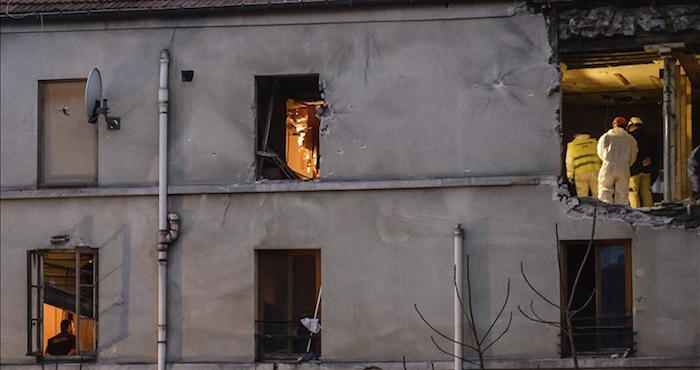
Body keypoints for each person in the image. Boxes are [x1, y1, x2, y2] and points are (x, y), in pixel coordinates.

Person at [597, 116, 638, 205]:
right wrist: (626, 164)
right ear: (625, 126)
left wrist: (607, 161)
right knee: (622, 194)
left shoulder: (605, 137)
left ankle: (605, 212)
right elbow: (633, 155)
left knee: (605, 191)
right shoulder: (630, 139)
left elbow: (600, 152)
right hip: (623, 167)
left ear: (613, 125)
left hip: (608, 166)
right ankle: (620, 214)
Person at [627, 117, 660, 207]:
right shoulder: (650, 137)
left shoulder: (630, 138)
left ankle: (636, 211)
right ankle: (649, 210)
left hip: (634, 170)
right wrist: (650, 161)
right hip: (647, 170)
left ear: (631, 125)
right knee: (646, 191)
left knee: (633, 191)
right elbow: (656, 152)